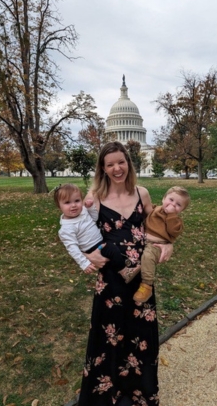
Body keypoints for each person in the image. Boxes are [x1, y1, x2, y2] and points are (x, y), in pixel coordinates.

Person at [77, 141, 173, 406]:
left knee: (139, 332)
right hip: (110, 279)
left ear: (129, 164)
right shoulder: (93, 198)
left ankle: (138, 391)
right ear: (103, 169)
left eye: (121, 162)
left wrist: (168, 243)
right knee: (109, 333)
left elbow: (157, 227)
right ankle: (107, 394)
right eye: (110, 164)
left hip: (142, 277)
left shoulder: (141, 193)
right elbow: (75, 231)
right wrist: (86, 256)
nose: (117, 168)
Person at [54, 183, 141, 282]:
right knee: (112, 249)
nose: (73, 205)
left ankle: (116, 276)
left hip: (99, 241)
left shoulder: (83, 212)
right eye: (67, 202)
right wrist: (84, 263)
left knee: (112, 256)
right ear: (59, 206)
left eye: (77, 201)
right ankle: (125, 272)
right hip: (92, 247)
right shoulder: (67, 228)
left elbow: (95, 218)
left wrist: (90, 208)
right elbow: (72, 248)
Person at [133, 186, 190, 303]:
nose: (173, 205)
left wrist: (171, 216)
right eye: (171, 200)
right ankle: (129, 275)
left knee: (148, 257)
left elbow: (174, 231)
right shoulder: (155, 209)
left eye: (178, 205)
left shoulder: (175, 221)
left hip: (158, 245)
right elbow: (145, 213)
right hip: (144, 241)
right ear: (164, 199)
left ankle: (147, 285)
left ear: (182, 210)